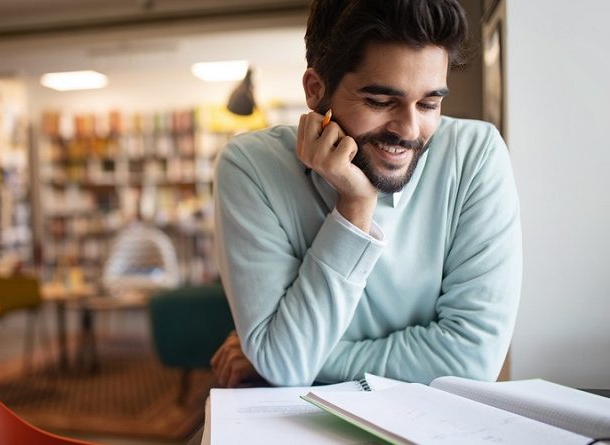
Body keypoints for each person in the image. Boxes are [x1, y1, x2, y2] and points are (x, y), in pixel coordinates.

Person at [210, 0, 522, 388]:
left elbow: (472, 362)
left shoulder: (476, 155)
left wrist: (301, 359)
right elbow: (286, 362)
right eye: (380, 101)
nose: (409, 130)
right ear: (316, 90)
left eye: (429, 103)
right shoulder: (251, 168)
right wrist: (355, 208)